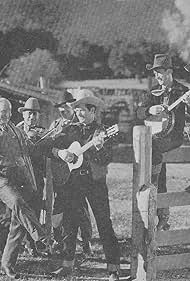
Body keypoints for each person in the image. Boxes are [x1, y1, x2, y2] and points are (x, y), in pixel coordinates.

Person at [0, 97, 74, 278]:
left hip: (20, 180)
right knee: (17, 203)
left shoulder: (16, 132)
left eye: (6, 112)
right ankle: (42, 237)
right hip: (2, 179)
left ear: (10, 114)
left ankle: (7, 264)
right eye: (0, 112)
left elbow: (33, 150)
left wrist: (59, 152)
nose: (3, 115)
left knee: (18, 222)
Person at [54, 89, 120, 281]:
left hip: (95, 183)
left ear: (93, 111)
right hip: (74, 182)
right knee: (70, 223)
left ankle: (113, 268)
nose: (79, 113)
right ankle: (67, 265)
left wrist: (98, 147)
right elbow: (49, 146)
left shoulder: (102, 131)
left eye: (83, 110)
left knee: (104, 222)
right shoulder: (70, 130)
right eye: (77, 110)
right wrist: (60, 153)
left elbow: (107, 158)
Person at [136, 54, 190, 230]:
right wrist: (150, 109)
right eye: (155, 73)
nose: (158, 77)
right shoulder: (152, 91)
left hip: (173, 137)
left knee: (154, 158)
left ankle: (152, 180)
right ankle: (162, 217)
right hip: (156, 137)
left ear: (169, 72)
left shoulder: (182, 91)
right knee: (161, 176)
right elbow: (139, 112)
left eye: (160, 72)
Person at [49, 91, 93, 256]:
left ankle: (86, 243)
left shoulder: (80, 123)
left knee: (80, 211)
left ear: (73, 106)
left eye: (66, 106)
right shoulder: (55, 125)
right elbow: (48, 147)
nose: (63, 110)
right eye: (60, 107)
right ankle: (58, 240)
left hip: (79, 176)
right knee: (58, 211)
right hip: (61, 175)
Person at [16, 97, 46, 256]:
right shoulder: (16, 130)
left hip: (36, 177)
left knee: (34, 210)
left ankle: (32, 244)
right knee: (19, 211)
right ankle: (19, 243)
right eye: (29, 113)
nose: (31, 117)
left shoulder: (42, 132)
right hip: (19, 177)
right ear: (23, 114)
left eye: (34, 114)